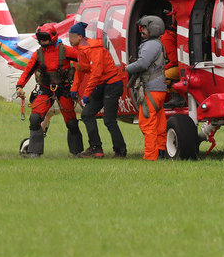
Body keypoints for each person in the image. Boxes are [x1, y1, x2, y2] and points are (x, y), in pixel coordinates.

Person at [15, 22, 83, 158]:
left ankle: (77, 152)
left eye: (45, 37)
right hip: (45, 90)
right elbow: (28, 70)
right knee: (35, 119)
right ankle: (34, 152)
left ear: (52, 37)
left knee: (71, 122)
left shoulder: (66, 50)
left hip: (63, 89)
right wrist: (19, 85)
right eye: (40, 38)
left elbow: (84, 58)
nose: (43, 41)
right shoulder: (38, 54)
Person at [68, 21, 127, 158]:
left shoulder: (94, 49)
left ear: (80, 37)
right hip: (102, 84)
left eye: (71, 36)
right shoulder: (81, 50)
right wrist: (74, 88)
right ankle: (96, 149)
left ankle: (120, 150)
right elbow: (80, 70)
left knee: (109, 120)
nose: (69, 38)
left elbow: (96, 73)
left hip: (112, 84)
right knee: (87, 114)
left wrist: (86, 93)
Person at [125, 15, 168, 161]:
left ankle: (150, 156)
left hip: (151, 90)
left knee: (147, 123)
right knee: (160, 123)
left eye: (143, 28)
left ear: (152, 29)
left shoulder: (150, 45)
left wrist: (127, 68)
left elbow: (143, 64)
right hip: (159, 89)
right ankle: (161, 151)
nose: (141, 30)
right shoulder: (158, 43)